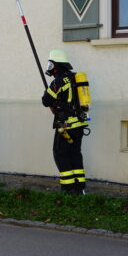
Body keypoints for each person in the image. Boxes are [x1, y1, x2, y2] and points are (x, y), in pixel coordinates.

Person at [41, 49, 88, 194]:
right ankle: (79, 189)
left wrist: (49, 94)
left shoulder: (58, 81)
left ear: (56, 65)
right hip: (79, 124)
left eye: (51, 64)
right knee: (75, 153)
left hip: (65, 126)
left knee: (61, 154)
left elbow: (46, 101)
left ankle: (68, 189)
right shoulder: (74, 78)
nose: (50, 67)